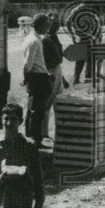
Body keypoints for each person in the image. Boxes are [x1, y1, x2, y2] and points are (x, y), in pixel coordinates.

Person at [22, 14, 52, 143]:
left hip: (38, 76)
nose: (48, 27)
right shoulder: (34, 41)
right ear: (39, 25)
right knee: (36, 111)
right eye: (46, 25)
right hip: (37, 78)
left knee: (33, 109)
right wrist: (25, 78)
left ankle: (31, 137)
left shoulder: (32, 38)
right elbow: (27, 64)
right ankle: (34, 139)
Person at [40, 14, 65, 145]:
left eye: (57, 23)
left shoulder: (54, 37)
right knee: (47, 103)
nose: (55, 26)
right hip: (50, 71)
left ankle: (57, 131)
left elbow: (59, 58)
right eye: (53, 23)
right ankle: (43, 132)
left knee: (58, 101)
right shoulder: (45, 40)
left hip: (57, 70)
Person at [66, 0, 102, 85]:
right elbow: (68, 22)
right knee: (84, 58)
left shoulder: (85, 9)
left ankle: (81, 78)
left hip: (87, 37)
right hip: (82, 37)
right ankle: (84, 78)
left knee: (85, 58)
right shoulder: (80, 9)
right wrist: (73, 35)